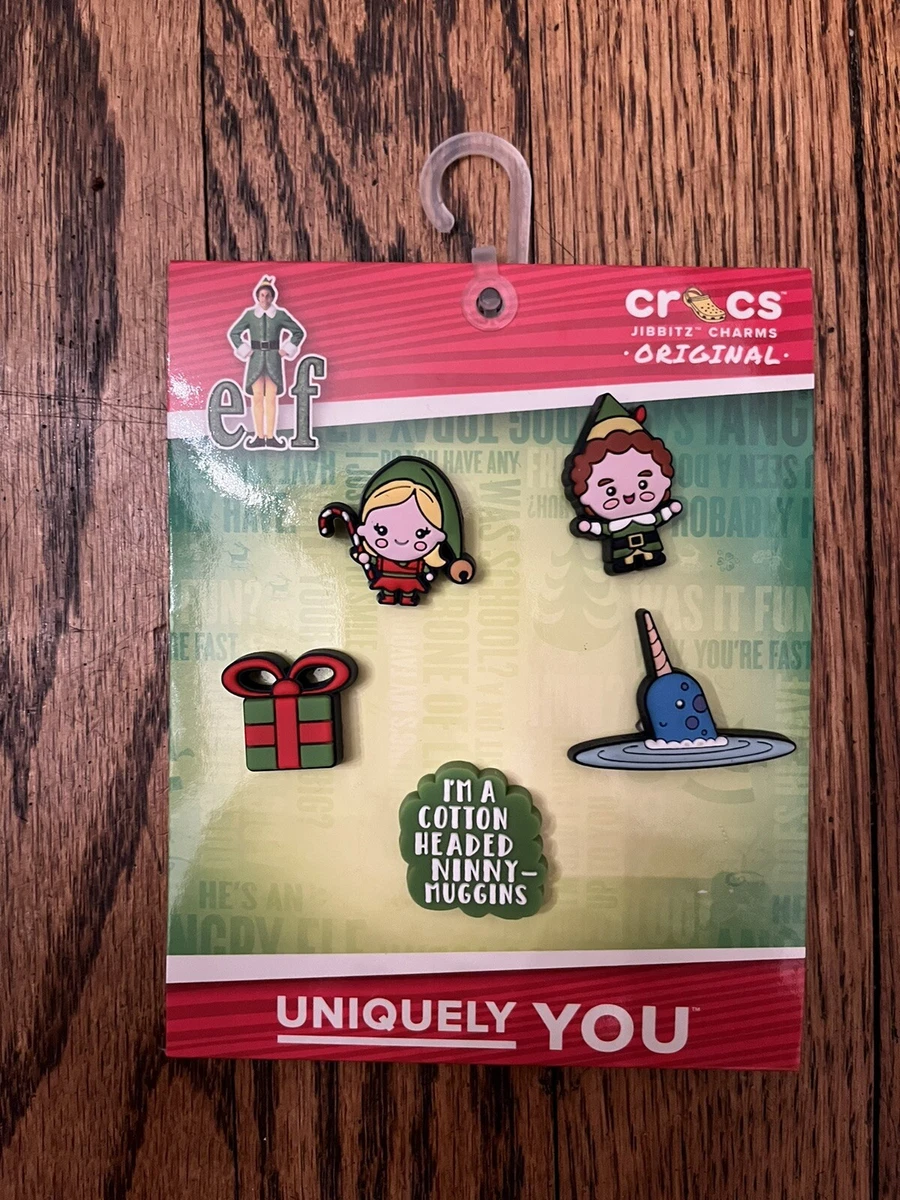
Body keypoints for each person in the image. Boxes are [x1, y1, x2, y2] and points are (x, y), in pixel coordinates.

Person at [563, 393, 682, 575]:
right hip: (620, 548)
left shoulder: (647, 518)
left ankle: (652, 556)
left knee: (651, 550)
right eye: (610, 490)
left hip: (649, 541)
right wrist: (588, 526)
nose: (629, 495)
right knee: (622, 555)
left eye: (643, 484)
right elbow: (601, 528)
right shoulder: (614, 525)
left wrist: (670, 509)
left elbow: (660, 516)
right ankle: (623, 562)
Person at [352, 458, 475, 606]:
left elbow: (429, 568)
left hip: (410, 580)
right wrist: (364, 557)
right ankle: (389, 596)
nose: (401, 540)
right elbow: (369, 559)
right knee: (388, 590)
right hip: (387, 578)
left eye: (421, 533)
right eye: (381, 530)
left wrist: (437, 569)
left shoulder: (421, 563)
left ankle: (407, 597)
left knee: (408, 591)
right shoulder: (379, 559)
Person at [228, 276, 305, 449]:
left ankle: (270, 436)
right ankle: (258, 435)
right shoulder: (250, 315)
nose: (264, 299)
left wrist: (287, 348)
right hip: (255, 359)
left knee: (270, 398)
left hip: (273, 360)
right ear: (257, 296)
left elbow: (298, 332)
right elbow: (234, 333)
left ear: (272, 297)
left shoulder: (279, 315)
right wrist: (245, 349)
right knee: (257, 398)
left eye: (267, 295)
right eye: (262, 295)